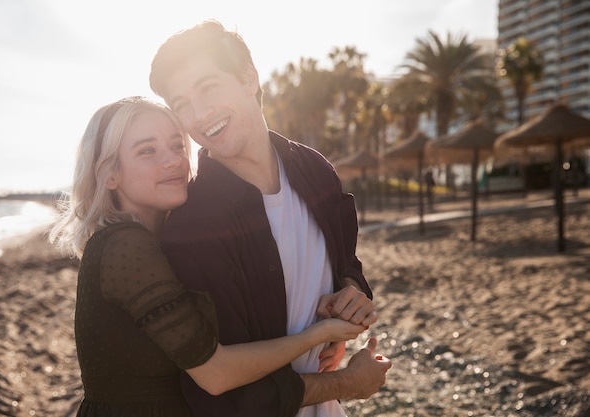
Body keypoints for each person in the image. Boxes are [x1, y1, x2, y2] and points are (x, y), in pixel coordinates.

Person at [48, 96, 376, 416]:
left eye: (177, 146)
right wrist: (322, 339)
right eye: (147, 151)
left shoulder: (162, 241)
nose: (173, 160)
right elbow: (216, 373)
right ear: (109, 174)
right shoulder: (125, 246)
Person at [150, 20, 392, 417]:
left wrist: (350, 292)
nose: (198, 114)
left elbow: (345, 259)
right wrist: (349, 383)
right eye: (181, 104)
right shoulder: (193, 226)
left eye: (208, 87)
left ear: (249, 79)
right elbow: (226, 395)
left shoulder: (315, 171)